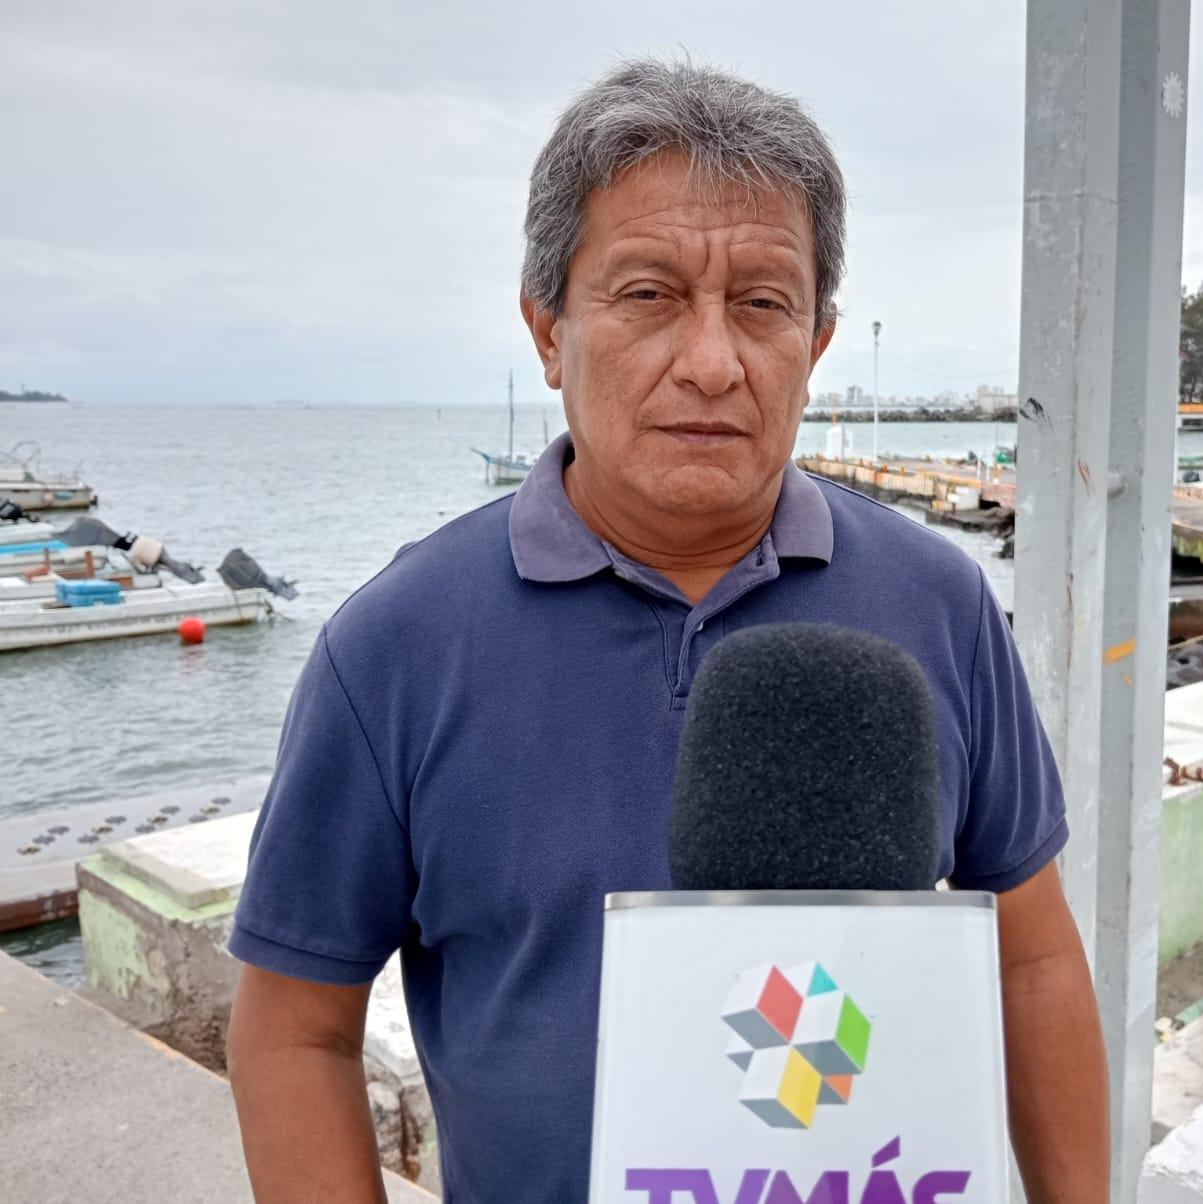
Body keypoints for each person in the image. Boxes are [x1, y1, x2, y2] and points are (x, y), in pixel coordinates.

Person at [224, 58, 1109, 1203]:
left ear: (817, 342)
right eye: (646, 295)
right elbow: (293, 1026)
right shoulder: (395, 646)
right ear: (548, 331)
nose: (709, 360)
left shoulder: (938, 604)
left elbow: (1030, 956)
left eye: (761, 302)